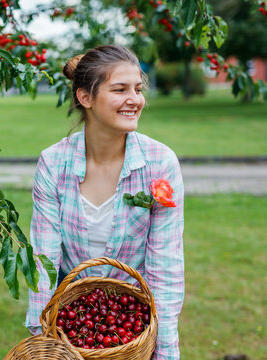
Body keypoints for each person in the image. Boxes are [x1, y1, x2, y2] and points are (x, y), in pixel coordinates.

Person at [25, 44, 185, 359]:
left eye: (138, 89)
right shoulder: (54, 164)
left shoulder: (159, 163)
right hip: (73, 324)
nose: (135, 100)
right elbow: (43, 259)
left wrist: (164, 352)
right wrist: (42, 335)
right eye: (120, 89)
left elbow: (165, 266)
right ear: (85, 97)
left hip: (131, 326)